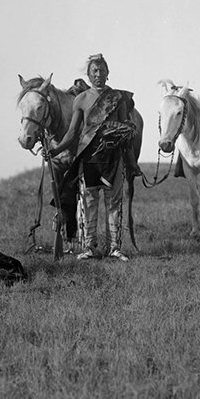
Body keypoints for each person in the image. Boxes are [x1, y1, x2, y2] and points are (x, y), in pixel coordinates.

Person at [48, 54, 140, 262]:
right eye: (94, 71)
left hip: (113, 157)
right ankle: (90, 247)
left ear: (108, 73)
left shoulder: (118, 98)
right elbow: (72, 133)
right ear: (88, 75)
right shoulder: (80, 100)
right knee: (89, 202)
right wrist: (55, 150)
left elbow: (127, 132)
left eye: (102, 70)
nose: (98, 74)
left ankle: (114, 247)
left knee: (114, 202)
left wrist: (132, 162)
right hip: (89, 157)